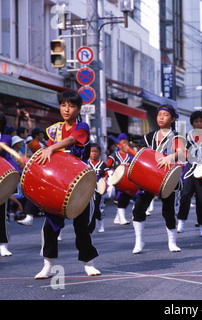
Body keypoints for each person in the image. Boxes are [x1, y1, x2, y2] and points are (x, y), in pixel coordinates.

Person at [34, 90, 100, 279]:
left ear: (78, 109)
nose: (66, 109)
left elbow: (71, 141)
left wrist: (51, 148)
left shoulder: (83, 126)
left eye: (71, 106)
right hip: (58, 184)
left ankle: (89, 263)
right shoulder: (54, 130)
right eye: (63, 105)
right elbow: (47, 156)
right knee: (50, 227)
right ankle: (47, 265)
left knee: (81, 227)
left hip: (80, 184)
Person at [132, 105, 185, 253]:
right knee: (139, 208)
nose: (161, 117)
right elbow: (142, 155)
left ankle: (172, 242)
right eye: (159, 114)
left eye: (165, 115)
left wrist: (170, 156)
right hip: (149, 177)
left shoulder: (177, 136)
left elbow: (181, 151)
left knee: (167, 211)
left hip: (168, 177)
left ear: (173, 118)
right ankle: (139, 241)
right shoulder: (149, 137)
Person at [177, 111, 202, 237]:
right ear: (192, 123)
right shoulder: (187, 136)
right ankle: (181, 222)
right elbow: (182, 153)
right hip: (190, 169)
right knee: (185, 195)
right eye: (196, 121)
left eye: (201, 121)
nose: (198, 123)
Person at [0, 111, 22, 256]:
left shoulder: (5, 138)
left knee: (1, 213)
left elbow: (1, 149)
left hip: (2, 178)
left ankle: (3, 244)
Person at [106, 133, 133, 225]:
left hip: (128, 180)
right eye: (122, 143)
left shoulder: (130, 156)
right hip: (118, 181)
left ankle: (117, 218)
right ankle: (122, 218)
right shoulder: (114, 155)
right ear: (118, 144)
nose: (124, 145)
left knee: (126, 199)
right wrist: (114, 170)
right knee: (121, 198)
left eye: (126, 143)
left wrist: (129, 165)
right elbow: (107, 166)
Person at [88, 143, 110, 233]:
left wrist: (103, 183)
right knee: (88, 208)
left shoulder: (103, 164)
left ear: (99, 153)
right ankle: (89, 225)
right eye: (92, 151)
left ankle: (100, 224)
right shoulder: (86, 163)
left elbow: (106, 175)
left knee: (97, 207)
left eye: (96, 152)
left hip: (98, 189)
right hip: (87, 188)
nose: (94, 153)